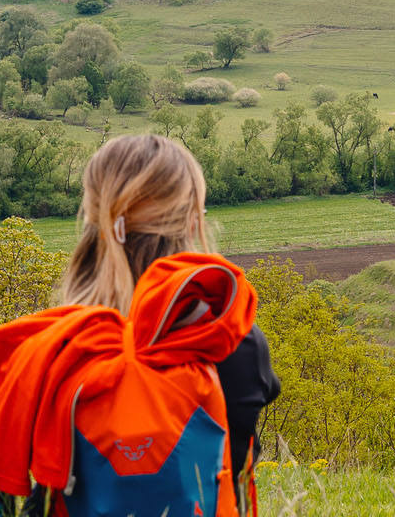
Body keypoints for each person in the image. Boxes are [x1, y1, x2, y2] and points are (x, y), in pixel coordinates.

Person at [56, 133, 281, 476]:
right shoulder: (234, 341)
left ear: (93, 219)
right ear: (193, 222)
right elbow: (237, 466)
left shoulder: (56, 342)